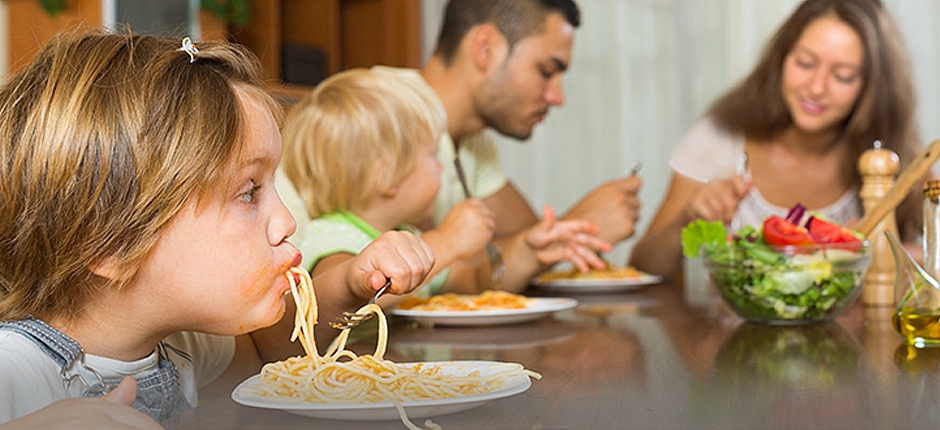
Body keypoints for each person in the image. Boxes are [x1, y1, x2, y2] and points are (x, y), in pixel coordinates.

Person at [0, 31, 435, 426]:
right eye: (248, 192)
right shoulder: (14, 371)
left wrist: (351, 284)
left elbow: (270, 353)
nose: (286, 222)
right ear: (110, 242)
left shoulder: (181, 343)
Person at [629, 0, 924, 278]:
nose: (816, 87)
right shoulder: (720, 137)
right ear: (781, 59)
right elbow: (642, 266)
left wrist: (896, 253)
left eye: (843, 76)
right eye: (805, 63)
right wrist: (687, 218)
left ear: (872, 88)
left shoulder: (887, 157)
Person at [281, 68, 611, 297]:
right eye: (431, 156)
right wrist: (448, 241)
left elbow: (475, 281)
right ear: (386, 176)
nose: (442, 167)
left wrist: (529, 252)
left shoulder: (411, 236)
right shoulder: (332, 238)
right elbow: (355, 293)